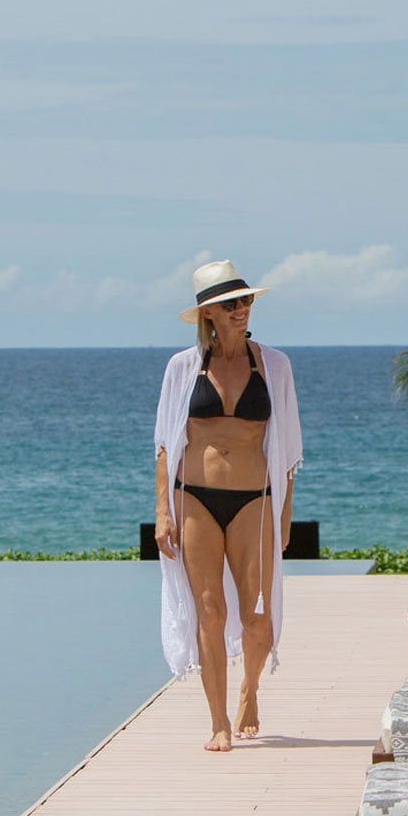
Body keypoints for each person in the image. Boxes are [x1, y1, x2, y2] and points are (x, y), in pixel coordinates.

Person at [153, 260, 303, 751]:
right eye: (230, 304)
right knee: (209, 610)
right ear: (209, 314)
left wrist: (285, 513)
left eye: (246, 301)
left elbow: (289, 448)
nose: (241, 310)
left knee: (257, 614)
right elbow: (163, 444)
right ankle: (218, 721)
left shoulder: (274, 365)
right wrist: (162, 513)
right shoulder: (182, 367)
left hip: (254, 500)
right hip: (193, 497)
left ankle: (250, 689)